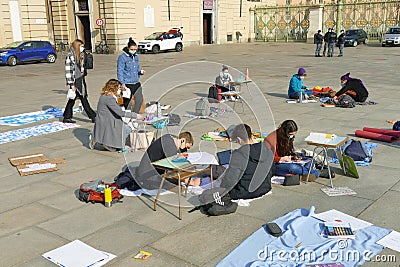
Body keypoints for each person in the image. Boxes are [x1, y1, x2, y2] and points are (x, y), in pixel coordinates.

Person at [219, 124, 274, 200]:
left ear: (239, 139)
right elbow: (273, 170)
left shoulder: (238, 155)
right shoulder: (267, 150)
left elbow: (231, 179)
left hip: (244, 192)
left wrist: (222, 185)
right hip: (265, 188)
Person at [91, 79, 143, 152]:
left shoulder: (105, 96)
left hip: (105, 120)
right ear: (114, 88)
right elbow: (120, 113)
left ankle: (110, 143)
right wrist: (135, 115)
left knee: (124, 126)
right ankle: (112, 145)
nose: (120, 90)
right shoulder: (109, 98)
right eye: (119, 88)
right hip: (108, 122)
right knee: (128, 128)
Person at [63, 39, 96, 123]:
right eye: (81, 46)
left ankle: (67, 117)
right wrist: (71, 84)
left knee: (73, 99)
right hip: (75, 80)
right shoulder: (70, 56)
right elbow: (68, 71)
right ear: (77, 46)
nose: (83, 48)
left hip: (81, 79)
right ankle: (93, 117)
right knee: (83, 98)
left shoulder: (81, 55)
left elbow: (84, 66)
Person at [117, 37, 145, 113]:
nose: (133, 51)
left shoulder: (136, 56)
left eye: (135, 49)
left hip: (136, 82)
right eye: (132, 49)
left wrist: (140, 72)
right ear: (128, 48)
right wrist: (122, 84)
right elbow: (120, 71)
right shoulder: (122, 57)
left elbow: (137, 68)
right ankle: (127, 117)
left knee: (139, 101)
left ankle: (134, 116)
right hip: (127, 83)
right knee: (127, 103)